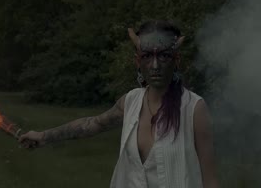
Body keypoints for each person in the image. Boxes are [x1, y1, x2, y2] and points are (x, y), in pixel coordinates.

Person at [19, 20, 219, 188]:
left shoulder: (194, 108)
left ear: (176, 60)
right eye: (147, 56)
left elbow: (209, 180)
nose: (155, 65)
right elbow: (91, 124)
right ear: (137, 62)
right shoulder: (131, 102)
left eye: (164, 56)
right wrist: (44, 136)